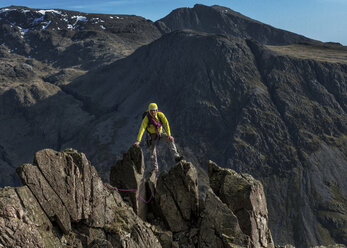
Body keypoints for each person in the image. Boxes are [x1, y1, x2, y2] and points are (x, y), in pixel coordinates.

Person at [134, 103, 183, 172]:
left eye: (154, 110)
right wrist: (138, 140)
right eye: (151, 110)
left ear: (157, 110)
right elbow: (142, 129)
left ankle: (176, 157)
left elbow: (166, 124)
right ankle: (155, 168)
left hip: (160, 132)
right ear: (149, 110)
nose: (153, 112)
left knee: (170, 140)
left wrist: (169, 135)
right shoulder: (146, 118)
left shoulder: (160, 115)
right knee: (152, 150)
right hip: (151, 135)